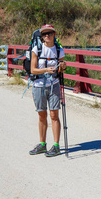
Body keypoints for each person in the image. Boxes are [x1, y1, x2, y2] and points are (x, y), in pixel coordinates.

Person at [29, 24, 67, 157]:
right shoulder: (36, 49)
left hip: (54, 84)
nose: (47, 36)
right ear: (42, 36)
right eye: (44, 34)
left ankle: (56, 145)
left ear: (54, 35)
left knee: (54, 116)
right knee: (41, 115)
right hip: (38, 85)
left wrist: (63, 66)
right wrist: (45, 70)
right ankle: (42, 144)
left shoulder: (59, 50)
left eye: (50, 33)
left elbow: (61, 68)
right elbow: (32, 70)